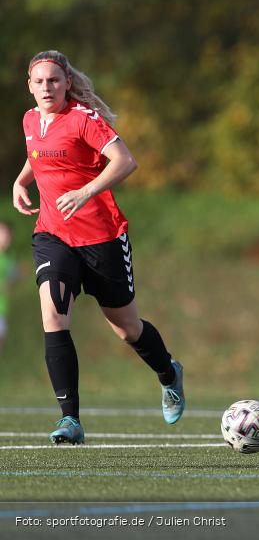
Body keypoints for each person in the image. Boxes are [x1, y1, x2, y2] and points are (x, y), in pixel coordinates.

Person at [12, 50, 185, 445]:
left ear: (66, 82)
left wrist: (86, 190)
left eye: (53, 80)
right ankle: (69, 419)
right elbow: (38, 154)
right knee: (54, 317)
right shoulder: (29, 119)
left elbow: (125, 161)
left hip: (102, 239)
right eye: (38, 82)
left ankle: (168, 373)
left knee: (127, 330)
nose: (46, 88)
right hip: (53, 236)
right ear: (29, 85)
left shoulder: (82, 120)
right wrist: (22, 181)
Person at [0, 222, 13, 354]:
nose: (6, 237)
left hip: (2, 308)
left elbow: (11, 276)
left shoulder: (7, 259)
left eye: (8, 235)